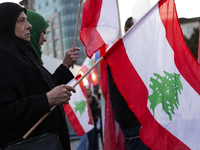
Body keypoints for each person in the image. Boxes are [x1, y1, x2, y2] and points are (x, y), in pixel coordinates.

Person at [0, 2, 80, 150]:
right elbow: (4, 113)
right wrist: (47, 100)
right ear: (6, 24)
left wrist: (64, 67)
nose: (29, 25)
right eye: (21, 21)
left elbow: (43, 86)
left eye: (27, 20)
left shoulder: (24, 54)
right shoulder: (4, 57)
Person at [107, 17, 150, 150]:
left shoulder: (139, 51)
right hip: (133, 119)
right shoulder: (119, 52)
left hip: (141, 118)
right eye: (138, 26)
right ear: (127, 30)